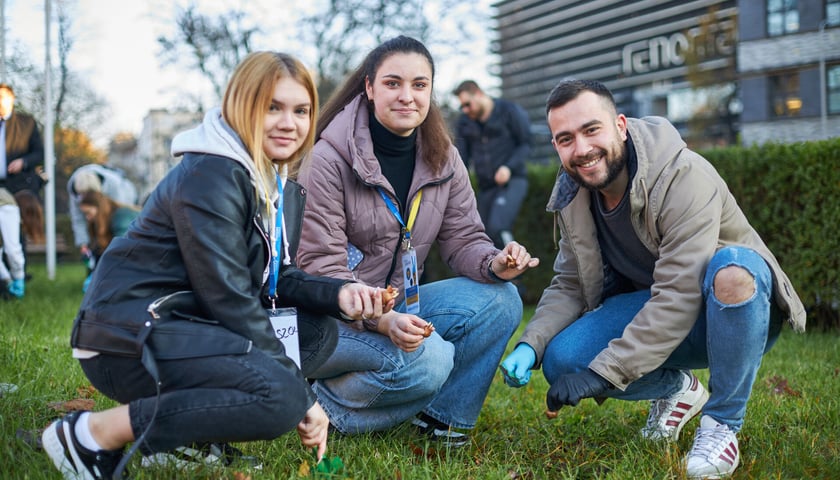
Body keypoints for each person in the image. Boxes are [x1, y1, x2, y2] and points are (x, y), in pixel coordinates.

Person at [42, 51, 393, 480]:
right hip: (127, 336)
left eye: (301, 110)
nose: (290, 123)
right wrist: (302, 397)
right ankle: (89, 434)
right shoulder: (213, 174)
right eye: (272, 108)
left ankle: (182, 442)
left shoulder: (273, 181)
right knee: (281, 399)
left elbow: (273, 279)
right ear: (242, 106)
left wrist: (338, 293)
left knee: (313, 331)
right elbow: (229, 297)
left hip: (181, 325)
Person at [500, 79, 806, 479]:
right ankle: (677, 390)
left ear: (620, 126)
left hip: (733, 312)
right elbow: (570, 283)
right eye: (565, 139)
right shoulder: (572, 193)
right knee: (563, 359)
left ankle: (722, 425)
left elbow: (678, 295)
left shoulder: (682, 176)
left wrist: (602, 373)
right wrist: (530, 344)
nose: (582, 149)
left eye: (592, 130)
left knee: (732, 268)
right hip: (658, 312)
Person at [296, 35, 539, 446]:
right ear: (369, 89)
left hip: (398, 306)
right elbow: (320, 266)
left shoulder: (443, 157)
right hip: (328, 318)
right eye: (393, 83)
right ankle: (325, 407)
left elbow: (464, 238)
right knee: (431, 363)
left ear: (431, 91)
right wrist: (381, 319)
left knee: (503, 300)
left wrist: (495, 262)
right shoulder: (327, 159)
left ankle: (442, 421)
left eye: (419, 85)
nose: (407, 96)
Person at [452, 80, 531, 248]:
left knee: (498, 228)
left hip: (512, 181)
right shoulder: (465, 122)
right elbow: (461, 159)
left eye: (467, 104)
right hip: (486, 187)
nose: (465, 110)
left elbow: (526, 144)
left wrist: (508, 167)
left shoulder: (508, 111)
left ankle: (514, 269)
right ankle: (493, 274)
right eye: (462, 107)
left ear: (479, 94)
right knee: (481, 235)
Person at [67, 164, 139, 261]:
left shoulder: (113, 184)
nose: (85, 199)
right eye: (82, 195)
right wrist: (83, 243)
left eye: (89, 195)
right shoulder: (75, 190)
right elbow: (78, 219)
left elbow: (121, 218)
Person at [78, 190, 140, 291]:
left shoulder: (121, 217)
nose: (87, 218)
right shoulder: (108, 220)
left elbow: (122, 251)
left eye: (88, 213)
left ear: (99, 208)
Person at [0, 83, 45, 199]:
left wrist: (23, 162)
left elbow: (39, 153)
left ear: (11, 99)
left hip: (20, 187)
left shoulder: (27, 123)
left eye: (1, 97)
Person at [0, 187, 24, 298]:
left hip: (5, 203)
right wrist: (6, 278)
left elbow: (13, 250)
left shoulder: (6, 207)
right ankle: (8, 283)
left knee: (12, 249)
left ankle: (18, 283)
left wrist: (18, 276)